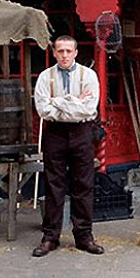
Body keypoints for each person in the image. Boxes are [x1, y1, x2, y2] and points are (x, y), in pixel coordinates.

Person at [31, 35, 105, 257]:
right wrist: (74, 100)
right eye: (60, 51)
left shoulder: (88, 75)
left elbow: (88, 109)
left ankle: (84, 237)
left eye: (68, 51)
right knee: (54, 186)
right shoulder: (46, 77)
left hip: (82, 132)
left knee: (83, 184)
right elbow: (43, 110)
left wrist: (59, 101)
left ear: (75, 52)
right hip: (55, 133)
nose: (64, 55)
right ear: (54, 52)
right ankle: (50, 237)